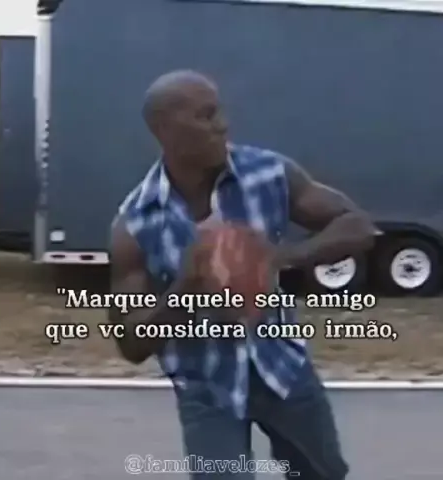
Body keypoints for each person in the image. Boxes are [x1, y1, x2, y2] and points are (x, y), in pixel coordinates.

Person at [109, 70, 375, 480]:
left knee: (323, 474)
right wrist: (187, 288)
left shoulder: (268, 173)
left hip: (283, 368)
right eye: (206, 115)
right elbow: (130, 343)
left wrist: (280, 258)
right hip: (207, 388)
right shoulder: (135, 224)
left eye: (219, 111)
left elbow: (358, 226)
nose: (223, 124)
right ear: (165, 130)